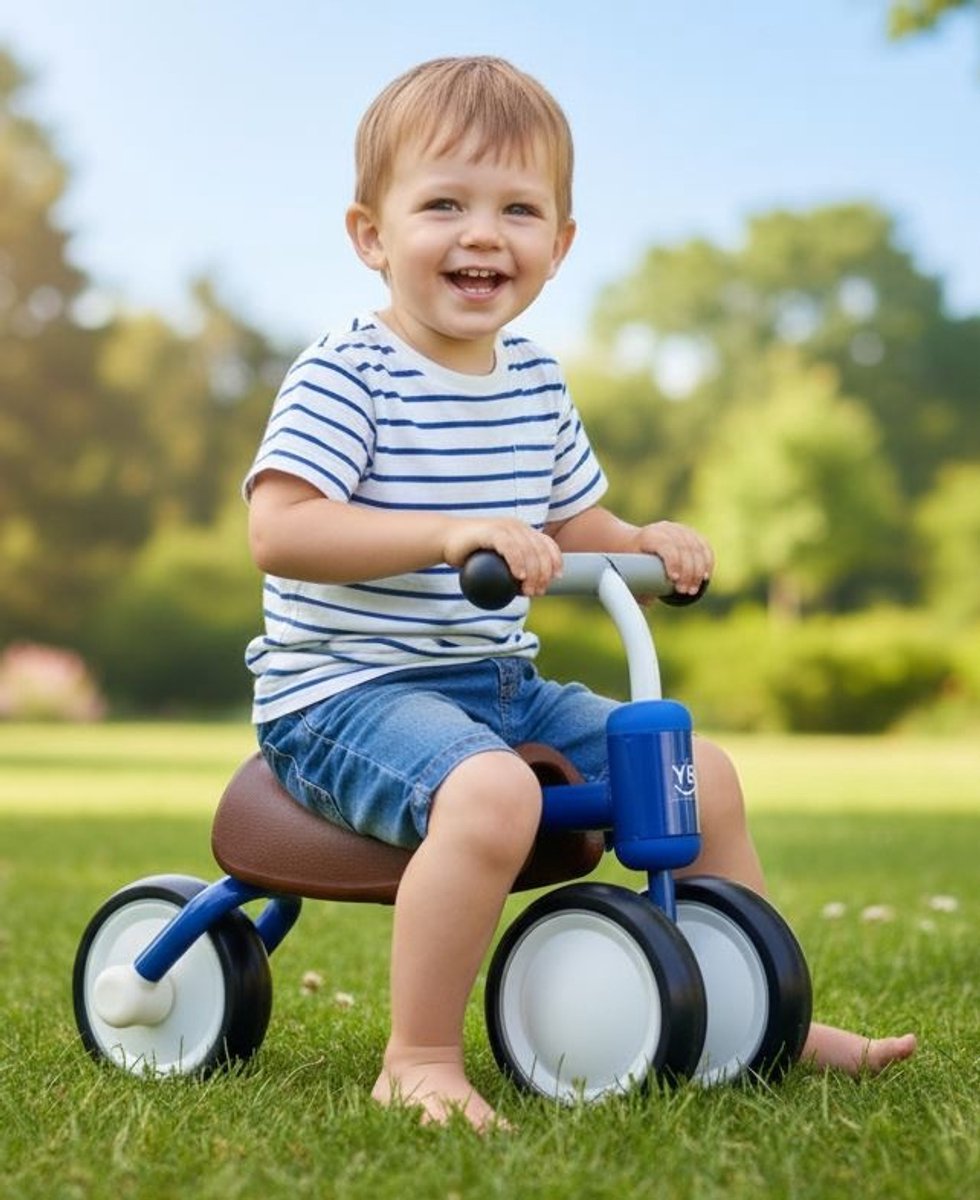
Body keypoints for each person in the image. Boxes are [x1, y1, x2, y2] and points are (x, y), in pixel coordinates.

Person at [244, 56, 915, 1131]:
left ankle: (759, 1017)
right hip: (342, 694)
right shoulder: (345, 373)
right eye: (443, 205)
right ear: (371, 236)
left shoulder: (535, 382)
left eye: (517, 209)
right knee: (494, 795)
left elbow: (570, 527)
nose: (481, 234)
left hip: (493, 684)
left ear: (557, 245)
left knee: (698, 771)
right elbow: (280, 530)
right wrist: (448, 533)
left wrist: (641, 541)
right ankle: (415, 1055)